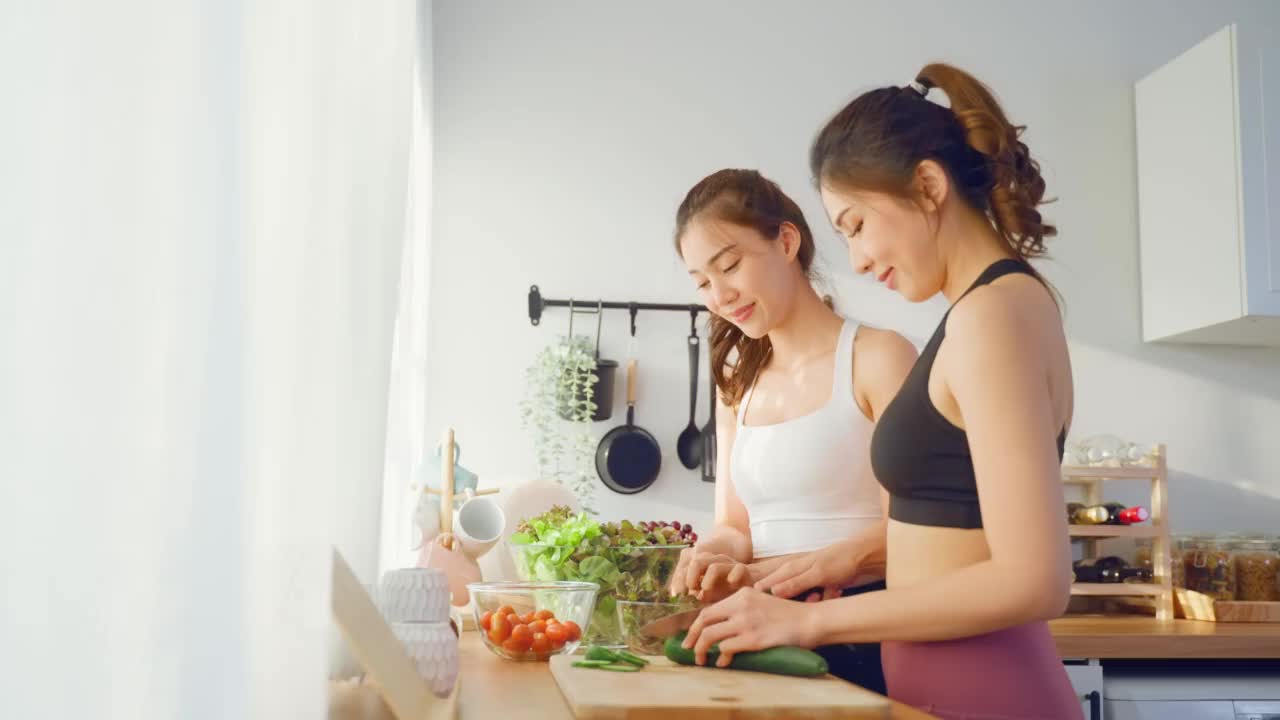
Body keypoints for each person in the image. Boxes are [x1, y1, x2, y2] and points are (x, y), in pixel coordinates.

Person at [682, 64, 1081, 720]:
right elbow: (953, 526)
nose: (858, 260)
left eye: (856, 225)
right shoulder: (995, 309)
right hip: (943, 693)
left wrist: (803, 625)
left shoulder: (991, 317)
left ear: (927, 186)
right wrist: (824, 565)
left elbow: (1035, 580)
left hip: (989, 694)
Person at [669, 168, 916, 693]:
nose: (719, 294)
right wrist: (714, 555)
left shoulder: (879, 357)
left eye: (729, 265)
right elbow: (737, 525)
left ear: (785, 241)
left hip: (863, 627)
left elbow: (921, 535)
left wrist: (816, 568)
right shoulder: (737, 376)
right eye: (702, 283)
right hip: (765, 628)